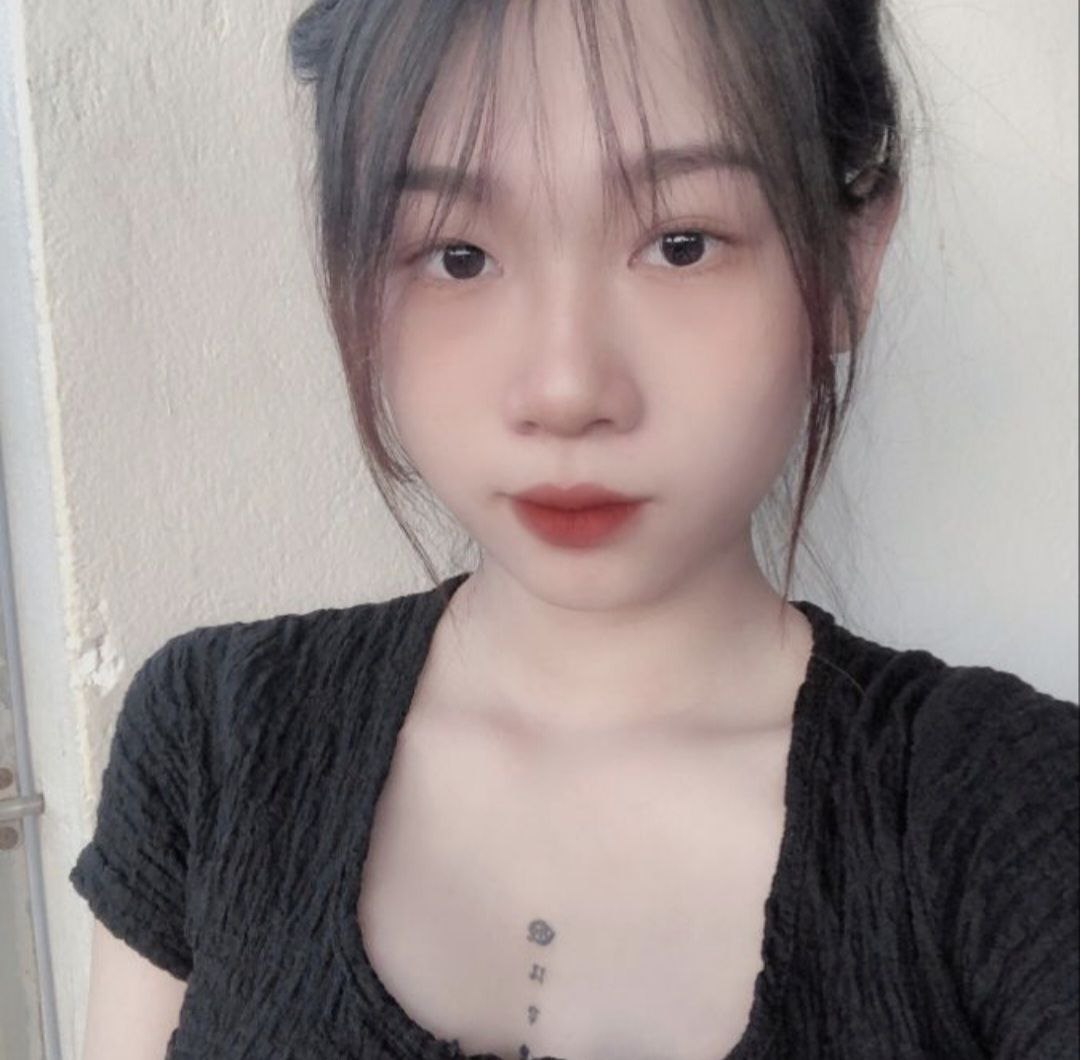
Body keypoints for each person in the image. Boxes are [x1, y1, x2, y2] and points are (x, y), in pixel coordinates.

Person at [72, 1, 1078, 1058]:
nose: (564, 389)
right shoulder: (214, 741)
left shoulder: (1009, 817)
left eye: (681, 245)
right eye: (458, 255)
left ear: (848, 258)